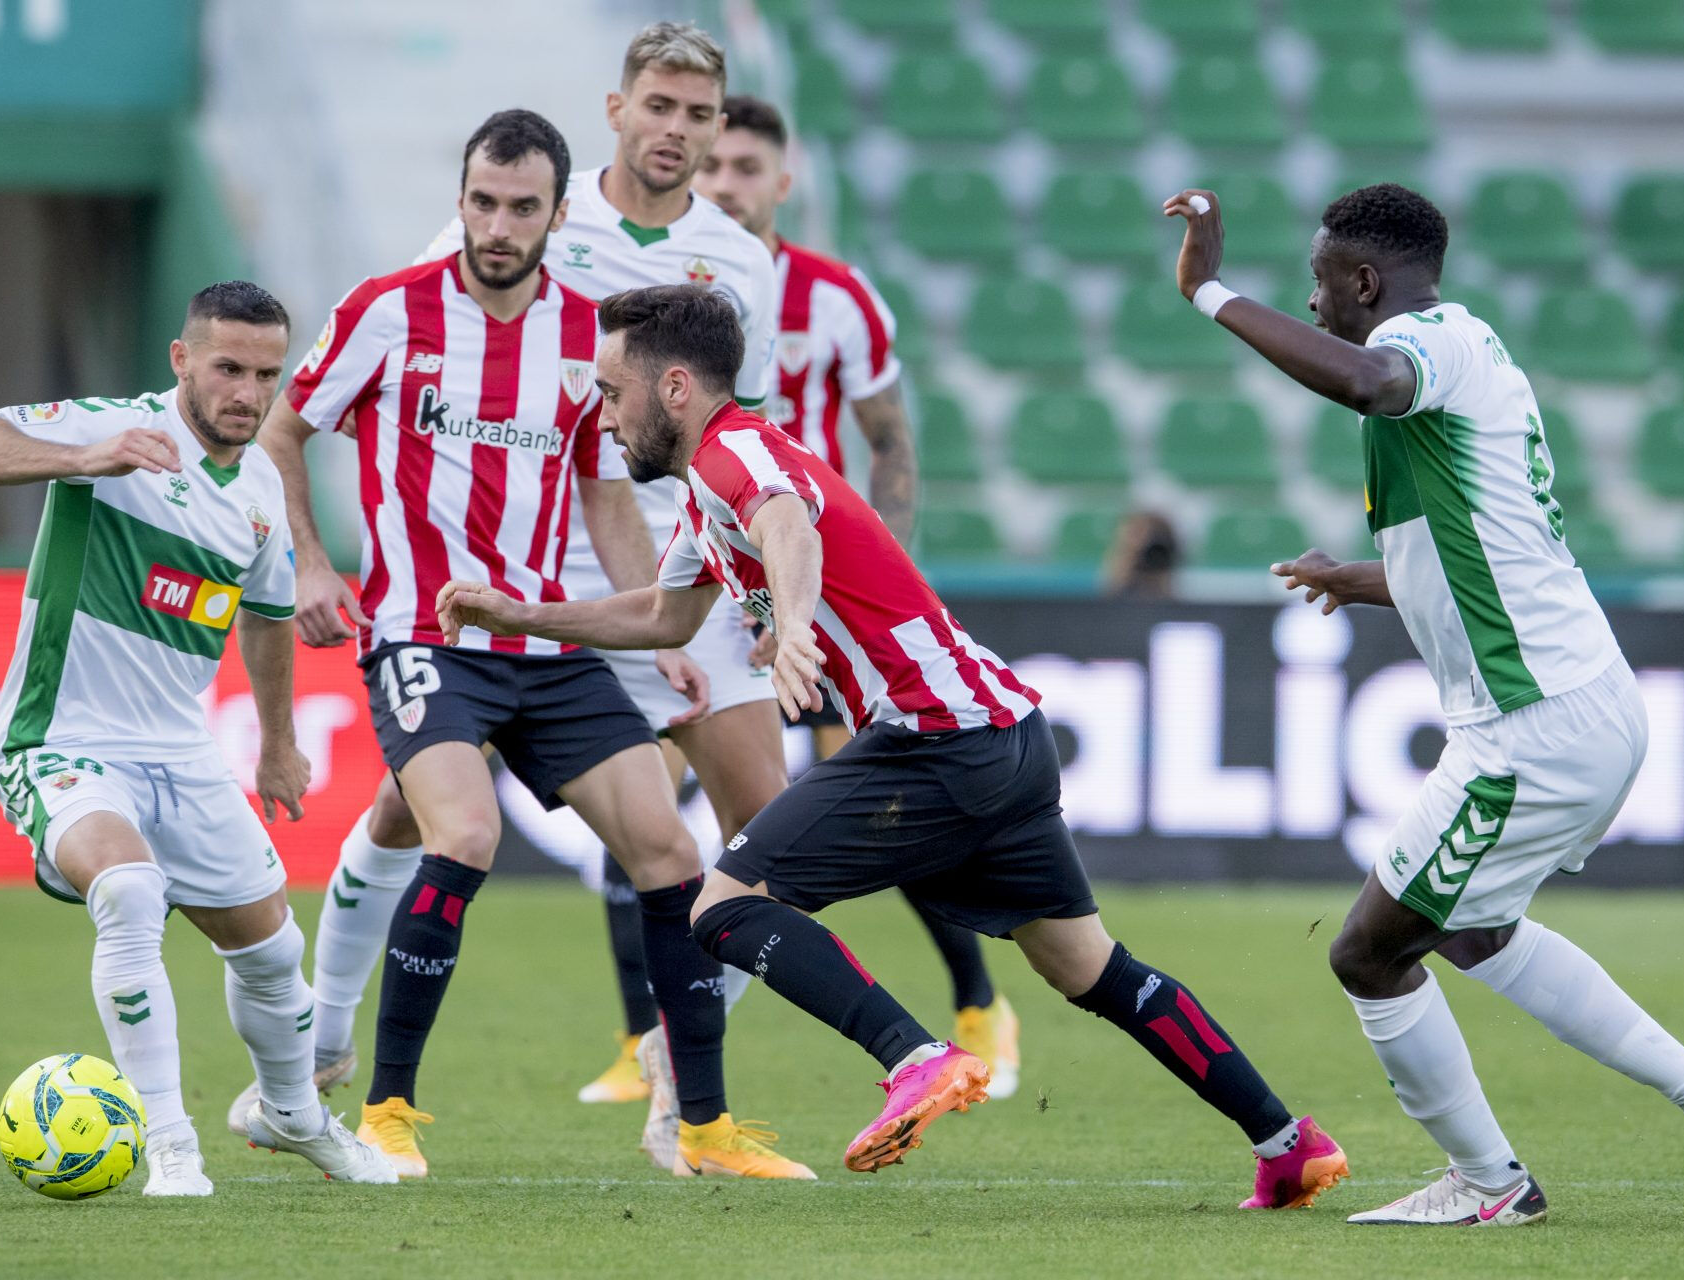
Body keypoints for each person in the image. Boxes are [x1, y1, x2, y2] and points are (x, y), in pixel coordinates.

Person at [433, 283, 1350, 1207]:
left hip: (935, 738)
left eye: (610, 388)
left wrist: (792, 626)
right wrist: (522, 613)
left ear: (674, 387)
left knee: (721, 905)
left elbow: (785, 520)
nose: (603, 409)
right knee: (1089, 967)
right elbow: (665, 614)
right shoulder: (715, 485)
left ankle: (914, 1056)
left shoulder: (734, 455)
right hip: (1004, 734)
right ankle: (1287, 1142)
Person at [1165, 181, 1684, 1224]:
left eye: (1320, 284)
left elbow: (1368, 380)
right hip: (1575, 706)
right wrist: (1356, 576)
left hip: (1532, 727)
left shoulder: (1427, 343)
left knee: (1367, 949)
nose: (1314, 305)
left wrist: (1211, 293)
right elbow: (1478, 552)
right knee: (1474, 928)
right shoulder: (1468, 353)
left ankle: (1493, 1183)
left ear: (1364, 280)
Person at [258, 109, 809, 1181]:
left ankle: (699, 1124)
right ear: (458, 199)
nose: (497, 225)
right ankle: (386, 1110)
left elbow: (603, 492)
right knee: (460, 833)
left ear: (562, 213)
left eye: (521, 207)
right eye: (481, 202)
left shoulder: (585, 339)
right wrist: (314, 564)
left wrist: (655, 632)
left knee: (673, 854)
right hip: (422, 629)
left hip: (547, 645)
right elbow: (285, 428)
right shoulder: (387, 311)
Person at [0, 282, 396, 1194]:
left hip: (181, 749)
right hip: (61, 736)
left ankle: (292, 1113)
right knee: (133, 891)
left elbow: (264, 620)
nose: (247, 393)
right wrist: (88, 455)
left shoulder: (260, 487)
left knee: (270, 954)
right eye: (228, 368)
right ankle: (167, 1141)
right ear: (183, 359)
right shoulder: (111, 428)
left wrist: (276, 743)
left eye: (266, 375)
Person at [685, 92, 1025, 1096]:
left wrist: (894, 577)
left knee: (885, 808)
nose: (726, 184)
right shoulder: (677, 302)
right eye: (713, 166)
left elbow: (890, 440)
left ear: (782, 183)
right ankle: (657, 1042)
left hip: (823, 605)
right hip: (716, 578)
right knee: (673, 809)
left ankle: (973, 1004)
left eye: (746, 167)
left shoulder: (836, 298)